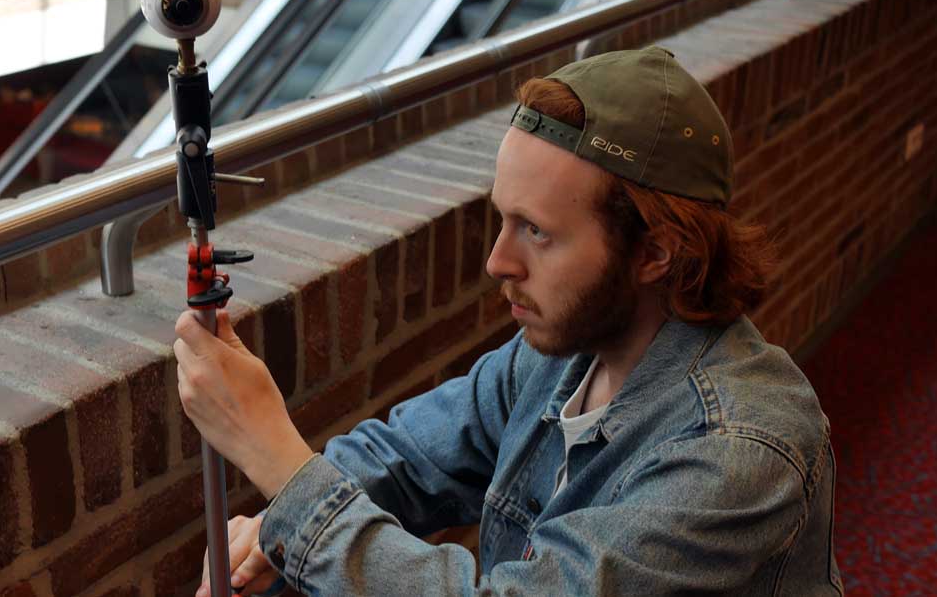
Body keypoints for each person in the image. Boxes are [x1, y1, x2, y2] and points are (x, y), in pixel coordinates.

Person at [173, 46, 842, 596]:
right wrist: (271, 529)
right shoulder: (560, 354)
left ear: (654, 253)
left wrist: (276, 457)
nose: (498, 261)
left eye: (537, 231)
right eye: (503, 219)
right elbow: (405, 459)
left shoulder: (739, 451)